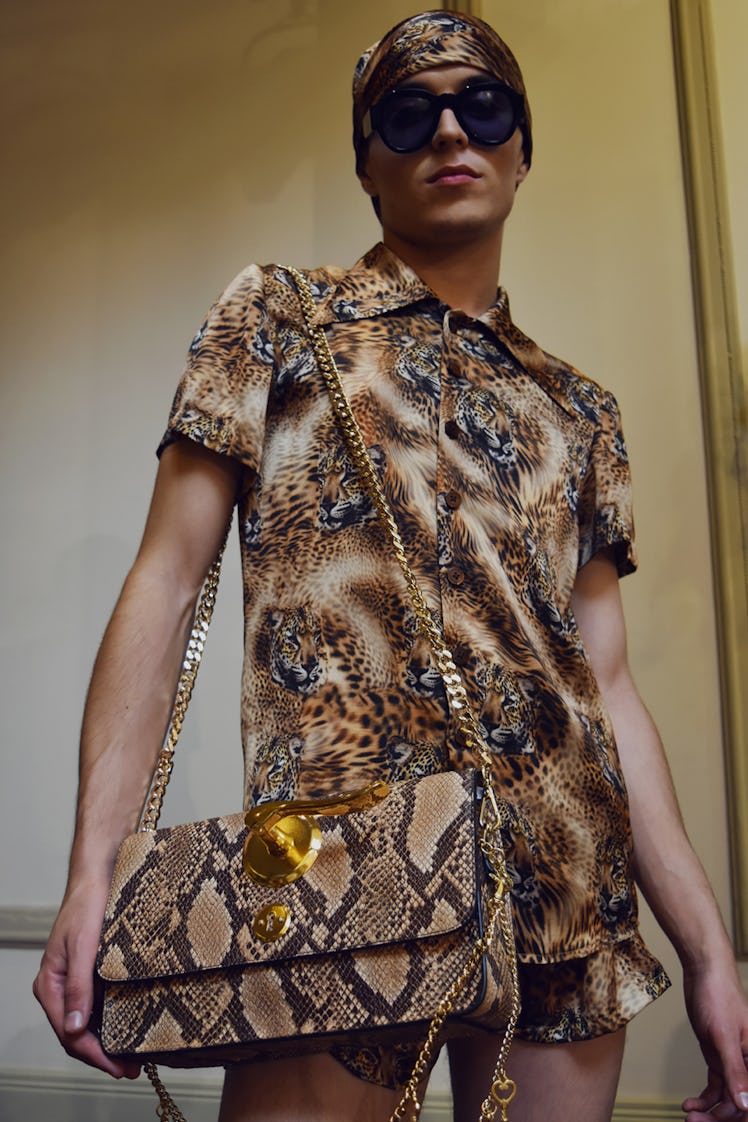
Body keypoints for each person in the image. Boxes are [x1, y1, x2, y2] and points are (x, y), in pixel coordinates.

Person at [33, 10, 748, 1122]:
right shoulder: (279, 316)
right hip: (336, 880)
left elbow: (606, 688)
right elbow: (166, 585)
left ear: (520, 143)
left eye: (484, 105)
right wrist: (94, 877)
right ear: (367, 161)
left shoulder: (581, 411)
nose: (449, 131)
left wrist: (707, 952)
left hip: (566, 894)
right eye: (407, 113)